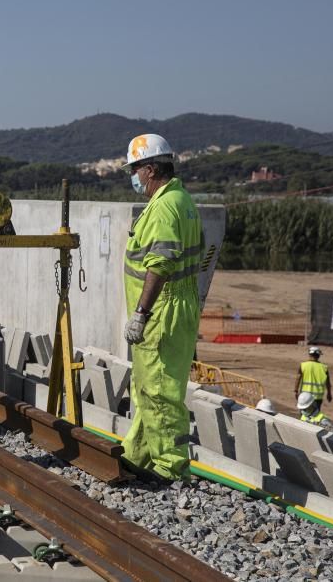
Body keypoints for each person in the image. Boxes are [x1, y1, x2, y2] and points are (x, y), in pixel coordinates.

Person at [120, 133, 203, 482]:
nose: (134, 177)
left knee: (159, 391)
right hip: (177, 305)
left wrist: (141, 314)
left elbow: (160, 264)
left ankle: (170, 468)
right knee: (148, 388)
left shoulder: (165, 207)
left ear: (150, 169)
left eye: (136, 169)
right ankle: (136, 458)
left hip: (162, 310)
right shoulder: (181, 199)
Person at [294, 346, 331, 410]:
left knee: (304, 415)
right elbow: (328, 383)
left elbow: (298, 378)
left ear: (309, 354)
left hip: (305, 396)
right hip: (318, 397)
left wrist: (296, 391)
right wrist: (329, 394)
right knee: (315, 415)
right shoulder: (324, 367)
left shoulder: (303, 365)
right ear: (319, 355)